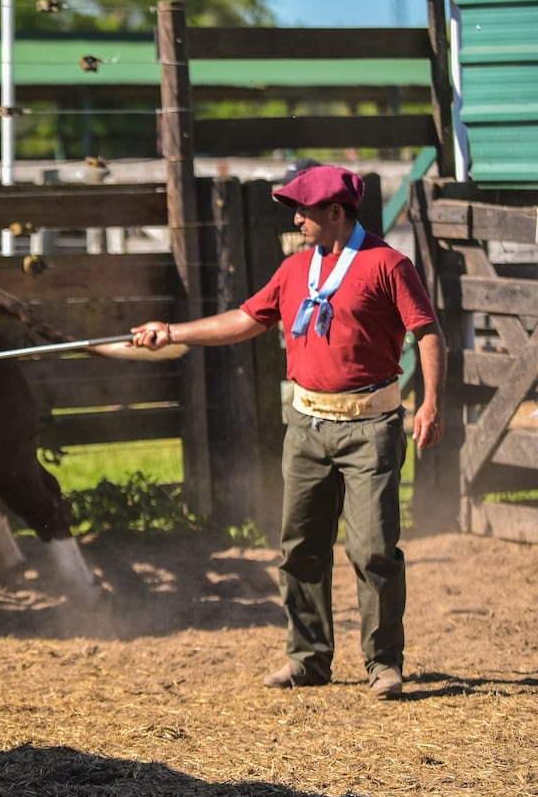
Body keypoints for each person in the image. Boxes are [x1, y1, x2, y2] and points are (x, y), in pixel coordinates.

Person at [129, 164, 446, 700]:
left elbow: (427, 331)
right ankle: (307, 659)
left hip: (371, 426)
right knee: (299, 547)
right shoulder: (295, 269)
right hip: (306, 428)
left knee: (373, 549)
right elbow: (245, 319)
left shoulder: (388, 264)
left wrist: (432, 402)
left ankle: (383, 662)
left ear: (336, 212)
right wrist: (173, 332)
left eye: (304, 211)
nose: (296, 219)